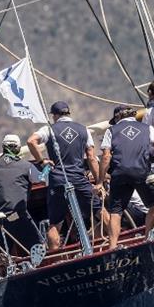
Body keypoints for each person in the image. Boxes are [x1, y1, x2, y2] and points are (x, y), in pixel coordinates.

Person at [98, 108, 154, 249]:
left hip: (120, 173)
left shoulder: (111, 130)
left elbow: (106, 157)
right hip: (141, 172)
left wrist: (100, 181)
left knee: (116, 211)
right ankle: (147, 239)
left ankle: (112, 247)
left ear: (117, 119)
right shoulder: (146, 128)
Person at [27, 100, 100, 250]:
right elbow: (92, 157)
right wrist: (99, 182)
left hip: (58, 179)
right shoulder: (83, 129)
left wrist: (42, 161)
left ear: (54, 115)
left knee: (55, 223)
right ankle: (111, 245)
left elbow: (31, 141)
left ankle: (54, 258)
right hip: (79, 178)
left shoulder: (49, 129)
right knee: (101, 211)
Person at [0, 134, 42, 258]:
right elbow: (41, 180)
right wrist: (46, 166)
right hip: (16, 215)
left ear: (3, 147)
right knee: (38, 247)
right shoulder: (26, 166)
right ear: (18, 149)